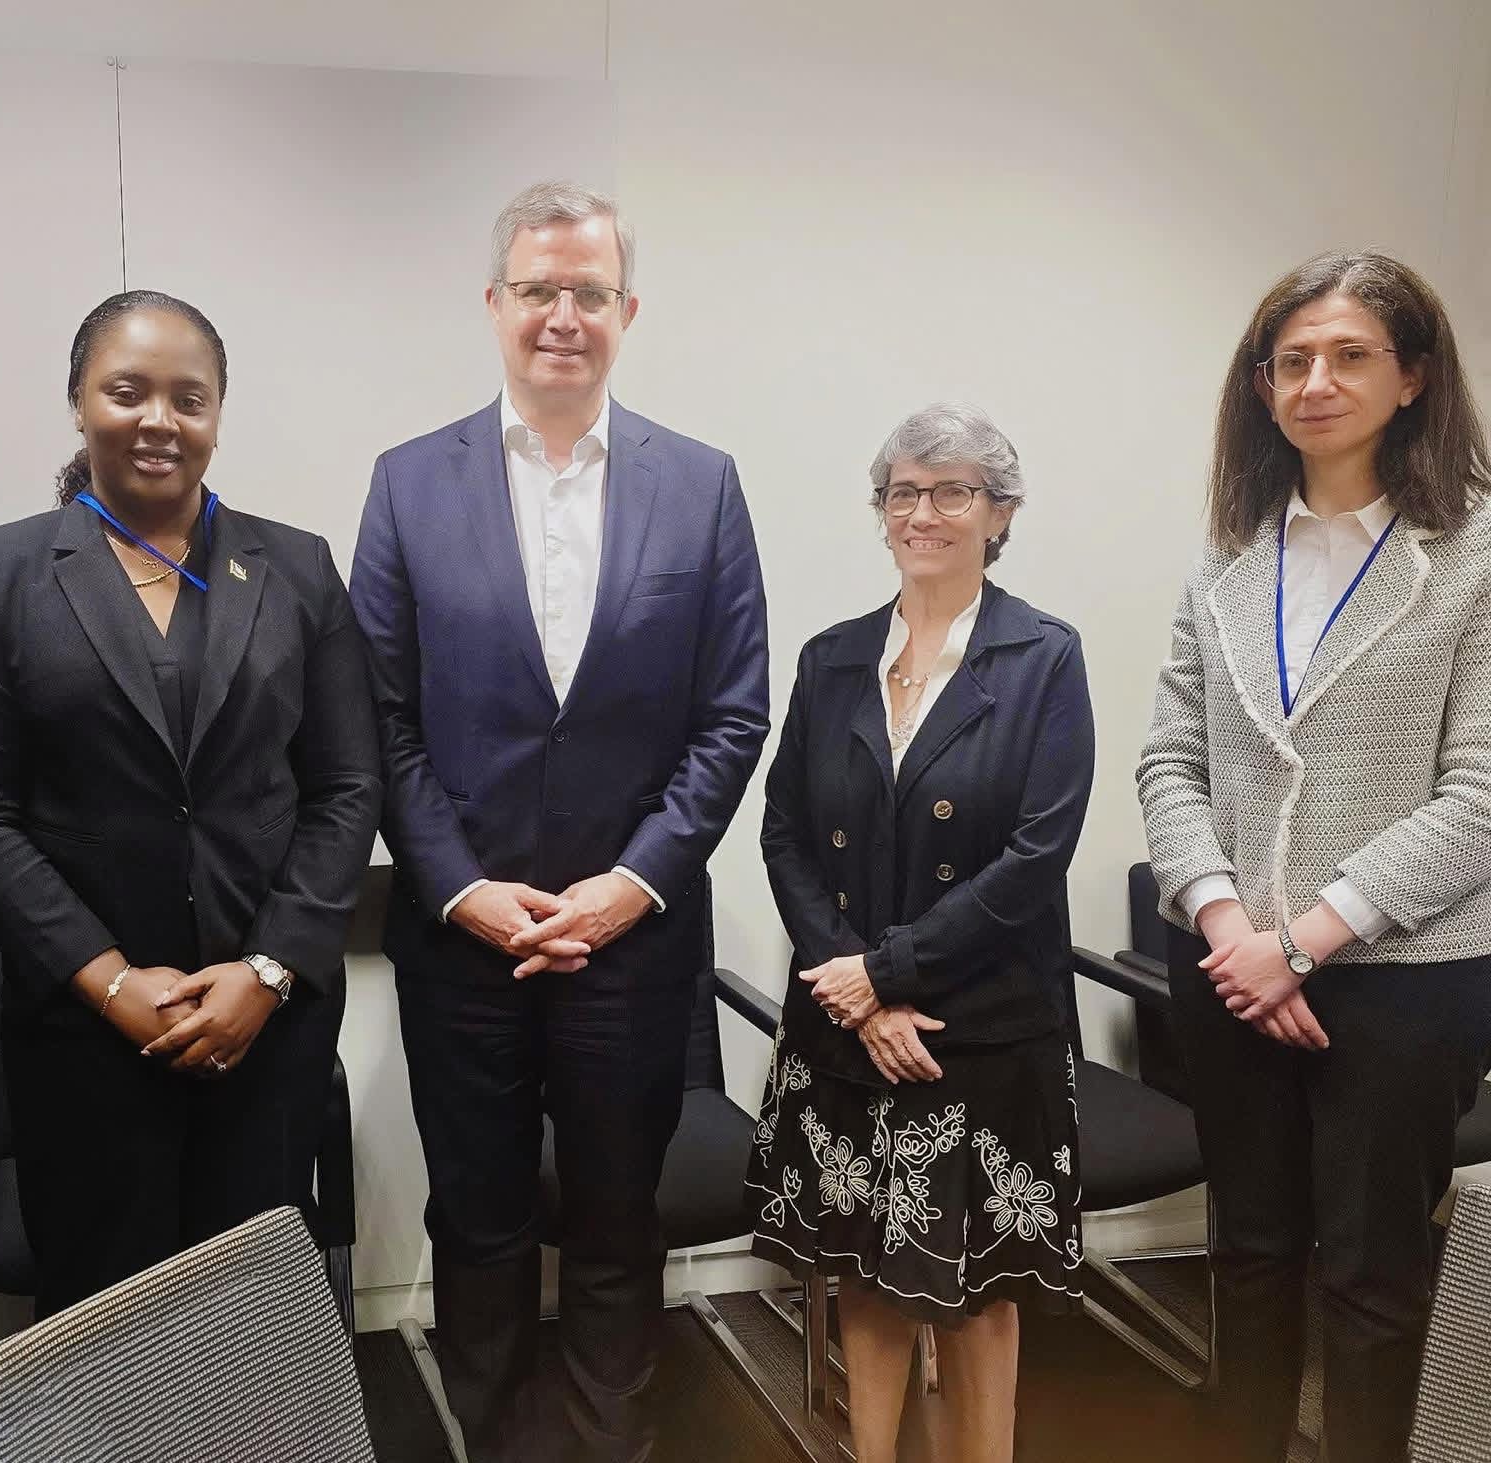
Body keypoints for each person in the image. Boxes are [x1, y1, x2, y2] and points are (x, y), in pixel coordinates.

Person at [351, 180, 769, 1461]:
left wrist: (628, 885)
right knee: (476, 1222)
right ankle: (490, 1437)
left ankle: (612, 1443)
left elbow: (730, 716)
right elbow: (378, 719)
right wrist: (460, 886)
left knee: (613, 1222)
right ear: (494, 304)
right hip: (461, 938)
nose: (561, 315)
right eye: (537, 289)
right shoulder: (407, 482)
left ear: (626, 312)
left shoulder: (700, 485)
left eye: (588, 291)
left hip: (629, 943)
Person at [0, 290, 381, 1316]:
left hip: (264, 1026)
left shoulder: (297, 567)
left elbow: (347, 785)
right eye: (126, 391)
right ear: (79, 401)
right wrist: (111, 981)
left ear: (218, 412)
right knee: (108, 1325)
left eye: (189, 397)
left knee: (250, 1317)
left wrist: (267, 970)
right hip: (84, 1035)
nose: (158, 420)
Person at [1138, 251, 1491, 1463]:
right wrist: (1228, 927)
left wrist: (1301, 940)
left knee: (1371, 1276)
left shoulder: (1474, 554)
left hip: (1400, 976)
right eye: (1289, 361)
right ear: (1261, 385)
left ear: (1412, 377)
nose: (1314, 383)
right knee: (1244, 1257)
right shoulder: (1228, 551)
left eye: (1347, 356)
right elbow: (1169, 761)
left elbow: (1479, 796)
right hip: (1227, 966)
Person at [744, 404, 1092, 1463]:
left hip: (978, 1029)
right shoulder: (832, 657)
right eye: (903, 491)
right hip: (847, 1026)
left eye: (952, 492)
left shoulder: (1042, 655)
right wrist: (855, 989)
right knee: (862, 1269)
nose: (923, 512)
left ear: (1000, 514)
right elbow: (783, 834)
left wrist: (887, 973)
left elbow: (1034, 854)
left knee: (980, 1288)